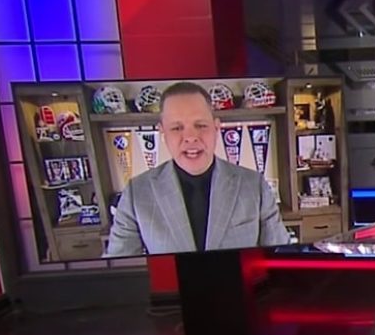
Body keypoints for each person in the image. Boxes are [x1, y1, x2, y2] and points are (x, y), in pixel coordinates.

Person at [104, 82, 290, 257]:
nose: (191, 137)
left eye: (200, 125)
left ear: (216, 127)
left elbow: (281, 258)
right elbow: (120, 268)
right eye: (177, 128)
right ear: (162, 132)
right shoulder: (136, 194)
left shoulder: (254, 186)